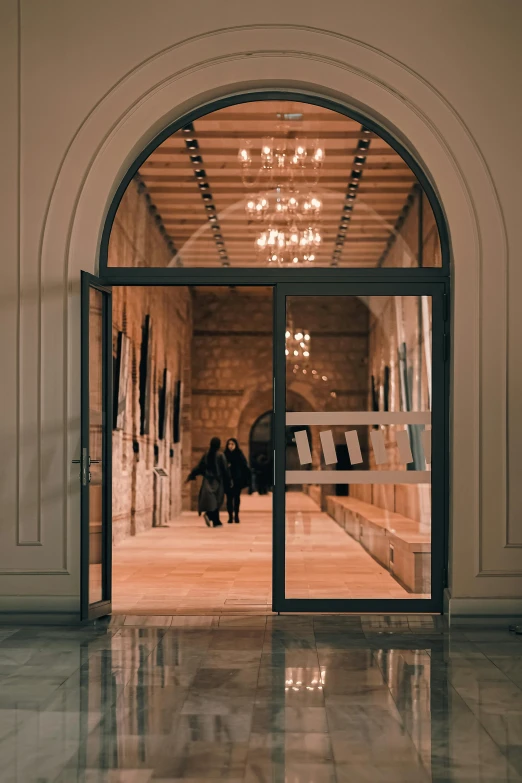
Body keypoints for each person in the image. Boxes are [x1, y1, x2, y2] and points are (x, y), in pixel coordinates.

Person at [187, 437, 230, 528]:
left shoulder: (206, 454)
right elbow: (225, 469)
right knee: (217, 501)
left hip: (207, 481)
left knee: (212, 502)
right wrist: (228, 481)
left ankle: (212, 518)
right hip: (217, 481)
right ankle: (214, 520)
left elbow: (200, 467)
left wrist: (192, 475)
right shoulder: (220, 455)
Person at [224, 438, 251, 524]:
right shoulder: (225, 455)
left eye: (232, 444)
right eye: (229, 444)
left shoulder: (239, 455)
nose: (230, 446)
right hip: (228, 480)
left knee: (236, 498)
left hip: (237, 480)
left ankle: (236, 516)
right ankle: (230, 516)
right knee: (229, 499)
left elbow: (244, 466)